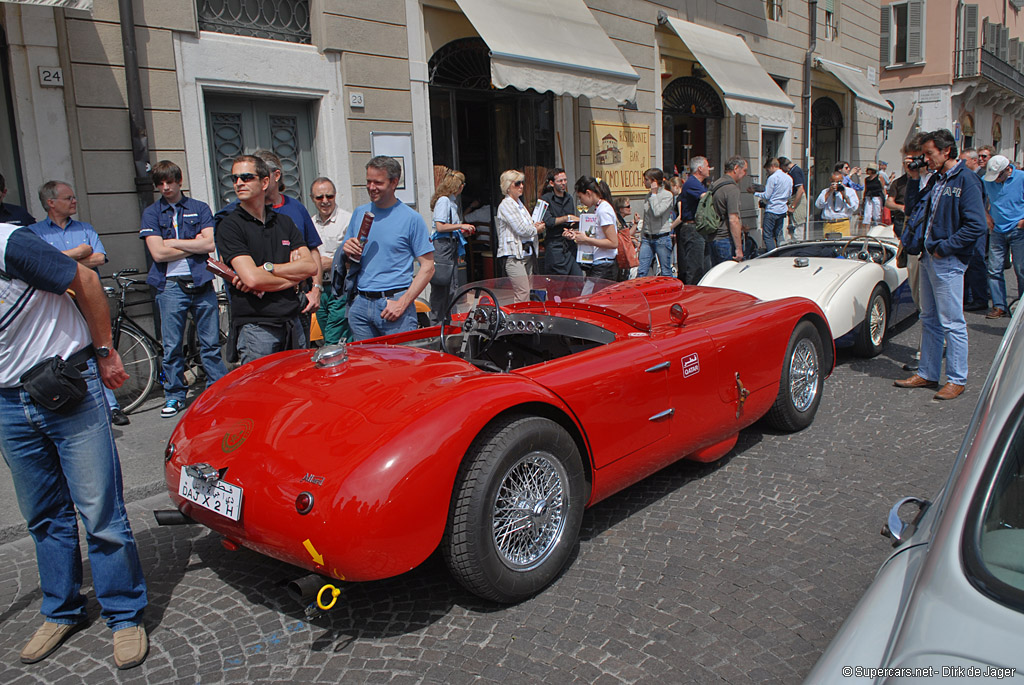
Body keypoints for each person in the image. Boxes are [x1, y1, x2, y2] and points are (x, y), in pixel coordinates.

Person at [0, 222, 149, 669]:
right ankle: (61, 610)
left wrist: (105, 352)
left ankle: (124, 614)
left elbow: (84, 279)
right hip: (8, 402)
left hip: (66, 385)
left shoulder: (7, 243)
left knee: (100, 510)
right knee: (44, 515)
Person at [894, 128, 986, 401]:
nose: (926, 159)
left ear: (947, 151)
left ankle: (957, 379)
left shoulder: (966, 180)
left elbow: (976, 226)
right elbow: (913, 209)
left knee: (952, 322)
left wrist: (944, 248)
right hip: (930, 258)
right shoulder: (936, 179)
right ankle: (928, 373)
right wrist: (913, 179)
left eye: (929, 154)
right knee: (929, 319)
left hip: (947, 260)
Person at [29, 181, 129, 426]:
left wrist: (62, 259)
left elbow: (99, 257)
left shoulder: (85, 227)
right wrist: (78, 252)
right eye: (68, 198)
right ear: (51, 203)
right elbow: (40, 263)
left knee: (101, 351)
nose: (74, 201)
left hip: (88, 301)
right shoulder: (35, 233)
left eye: (74, 197)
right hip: (58, 303)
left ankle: (111, 406)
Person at [139, 161, 228, 418]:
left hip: (201, 281)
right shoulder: (152, 213)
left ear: (179, 181)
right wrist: (193, 243)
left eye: (170, 182)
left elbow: (209, 244)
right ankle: (174, 394)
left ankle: (218, 390)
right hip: (170, 286)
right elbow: (157, 253)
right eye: (160, 184)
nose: (166, 188)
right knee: (172, 346)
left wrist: (174, 242)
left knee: (210, 343)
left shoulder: (199, 208)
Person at [214, 155, 318, 362]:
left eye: (246, 177)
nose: (239, 183)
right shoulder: (229, 225)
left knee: (297, 386)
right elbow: (252, 279)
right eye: (234, 178)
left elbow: (310, 266)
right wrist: (294, 278)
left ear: (265, 182)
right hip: (257, 326)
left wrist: (269, 269)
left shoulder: (284, 222)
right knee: (261, 391)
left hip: (292, 320)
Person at [341, 156, 434, 339]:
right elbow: (349, 263)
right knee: (367, 367)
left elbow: (428, 267)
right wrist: (346, 250)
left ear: (394, 183)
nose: (371, 187)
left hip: (394, 306)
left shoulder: (410, 218)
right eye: (368, 181)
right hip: (361, 304)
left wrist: (402, 303)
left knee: (401, 365)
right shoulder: (360, 213)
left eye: (378, 182)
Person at [309, 176, 353, 344]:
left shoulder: (347, 220)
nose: (325, 201)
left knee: (333, 338)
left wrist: (334, 263)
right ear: (313, 199)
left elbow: (358, 257)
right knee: (327, 334)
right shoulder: (311, 223)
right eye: (319, 197)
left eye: (329, 196)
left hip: (341, 287)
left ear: (335, 196)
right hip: (319, 288)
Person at [429, 169, 475, 323]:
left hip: (450, 245)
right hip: (443, 247)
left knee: (451, 287)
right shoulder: (444, 201)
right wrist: (461, 225)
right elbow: (440, 227)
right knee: (442, 284)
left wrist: (461, 230)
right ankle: (437, 323)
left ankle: (447, 322)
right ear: (460, 186)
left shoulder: (451, 202)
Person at [981, 155, 1024, 319]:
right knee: (994, 269)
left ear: (1008, 170)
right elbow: (980, 199)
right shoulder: (987, 180)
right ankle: (999, 306)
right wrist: (986, 216)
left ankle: (1021, 306)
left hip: (1018, 229)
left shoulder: (1021, 178)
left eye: (999, 176)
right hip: (997, 229)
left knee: (1021, 269)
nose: (996, 181)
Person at [495, 169, 543, 302]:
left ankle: (528, 319)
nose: (521, 186)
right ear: (508, 186)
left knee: (529, 293)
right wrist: (536, 229)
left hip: (527, 253)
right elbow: (522, 229)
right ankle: (519, 320)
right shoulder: (506, 205)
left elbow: (528, 226)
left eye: (522, 183)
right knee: (522, 292)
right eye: (517, 183)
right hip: (514, 255)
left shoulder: (520, 205)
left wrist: (534, 227)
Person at [569, 176, 619, 281]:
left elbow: (613, 242)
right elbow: (600, 235)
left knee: (589, 296)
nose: (581, 201)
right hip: (600, 263)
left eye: (580, 197)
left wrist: (586, 239)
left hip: (604, 266)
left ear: (588, 193)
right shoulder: (600, 208)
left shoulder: (603, 210)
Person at [673, 156, 711, 283]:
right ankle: (692, 294)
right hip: (692, 229)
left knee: (705, 265)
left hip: (699, 229)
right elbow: (706, 198)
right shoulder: (692, 183)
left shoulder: (698, 183)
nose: (709, 169)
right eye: (707, 166)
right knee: (695, 268)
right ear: (699, 169)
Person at [540, 168, 582, 276]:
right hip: (555, 246)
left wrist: (577, 223)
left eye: (565, 180)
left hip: (570, 245)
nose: (563, 183)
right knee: (558, 282)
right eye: (560, 181)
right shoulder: (545, 199)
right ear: (552, 183)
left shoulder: (569, 198)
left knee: (577, 278)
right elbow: (549, 221)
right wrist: (567, 218)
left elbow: (571, 222)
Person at [709, 157, 748, 265]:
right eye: (744, 170)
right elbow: (733, 219)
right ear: (736, 168)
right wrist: (739, 248)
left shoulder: (716, 184)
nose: (745, 174)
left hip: (713, 237)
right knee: (729, 276)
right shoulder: (731, 188)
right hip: (726, 239)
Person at [637, 168, 675, 277]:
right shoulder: (648, 196)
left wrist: (654, 195)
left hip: (661, 237)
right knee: (642, 270)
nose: (644, 182)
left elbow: (657, 212)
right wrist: (641, 239)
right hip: (647, 238)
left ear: (654, 181)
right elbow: (646, 218)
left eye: (646, 180)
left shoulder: (667, 195)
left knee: (665, 270)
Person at [753, 158, 793, 251]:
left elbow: (767, 195)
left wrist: (755, 193)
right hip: (782, 209)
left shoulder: (773, 178)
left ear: (772, 166)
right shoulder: (788, 178)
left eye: (767, 170)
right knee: (779, 234)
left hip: (772, 210)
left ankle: (772, 254)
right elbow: (790, 194)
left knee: (767, 235)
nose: (767, 172)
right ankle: (781, 251)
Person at [815, 171, 859, 236]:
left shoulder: (850, 191)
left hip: (842, 223)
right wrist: (829, 192)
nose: (837, 184)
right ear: (830, 180)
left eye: (839, 181)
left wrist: (844, 195)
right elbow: (818, 205)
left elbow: (854, 207)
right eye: (834, 182)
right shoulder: (825, 191)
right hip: (828, 223)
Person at [779, 157, 806, 242]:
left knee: (798, 230)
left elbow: (800, 190)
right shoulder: (793, 171)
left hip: (797, 202)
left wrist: (793, 206)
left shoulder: (795, 171)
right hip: (793, 200)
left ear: (784, 166)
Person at [614, 196, 639, 281]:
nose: (630, 208)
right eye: (628, 206)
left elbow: (627, 235)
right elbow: (625, 237)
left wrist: (636, 223)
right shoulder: (617, 221)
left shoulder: (622, 221)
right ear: (621, 209)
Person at [861, 163, 886, 231]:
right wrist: (864, 199)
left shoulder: (879, 177)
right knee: (867, 215)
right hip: (869, 197)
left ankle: (877, 229)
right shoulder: (867, 179)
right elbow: (866, 189)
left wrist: (884, 199)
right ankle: (866, 230)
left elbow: (883, 188)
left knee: (877, 214)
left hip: (877, 196)